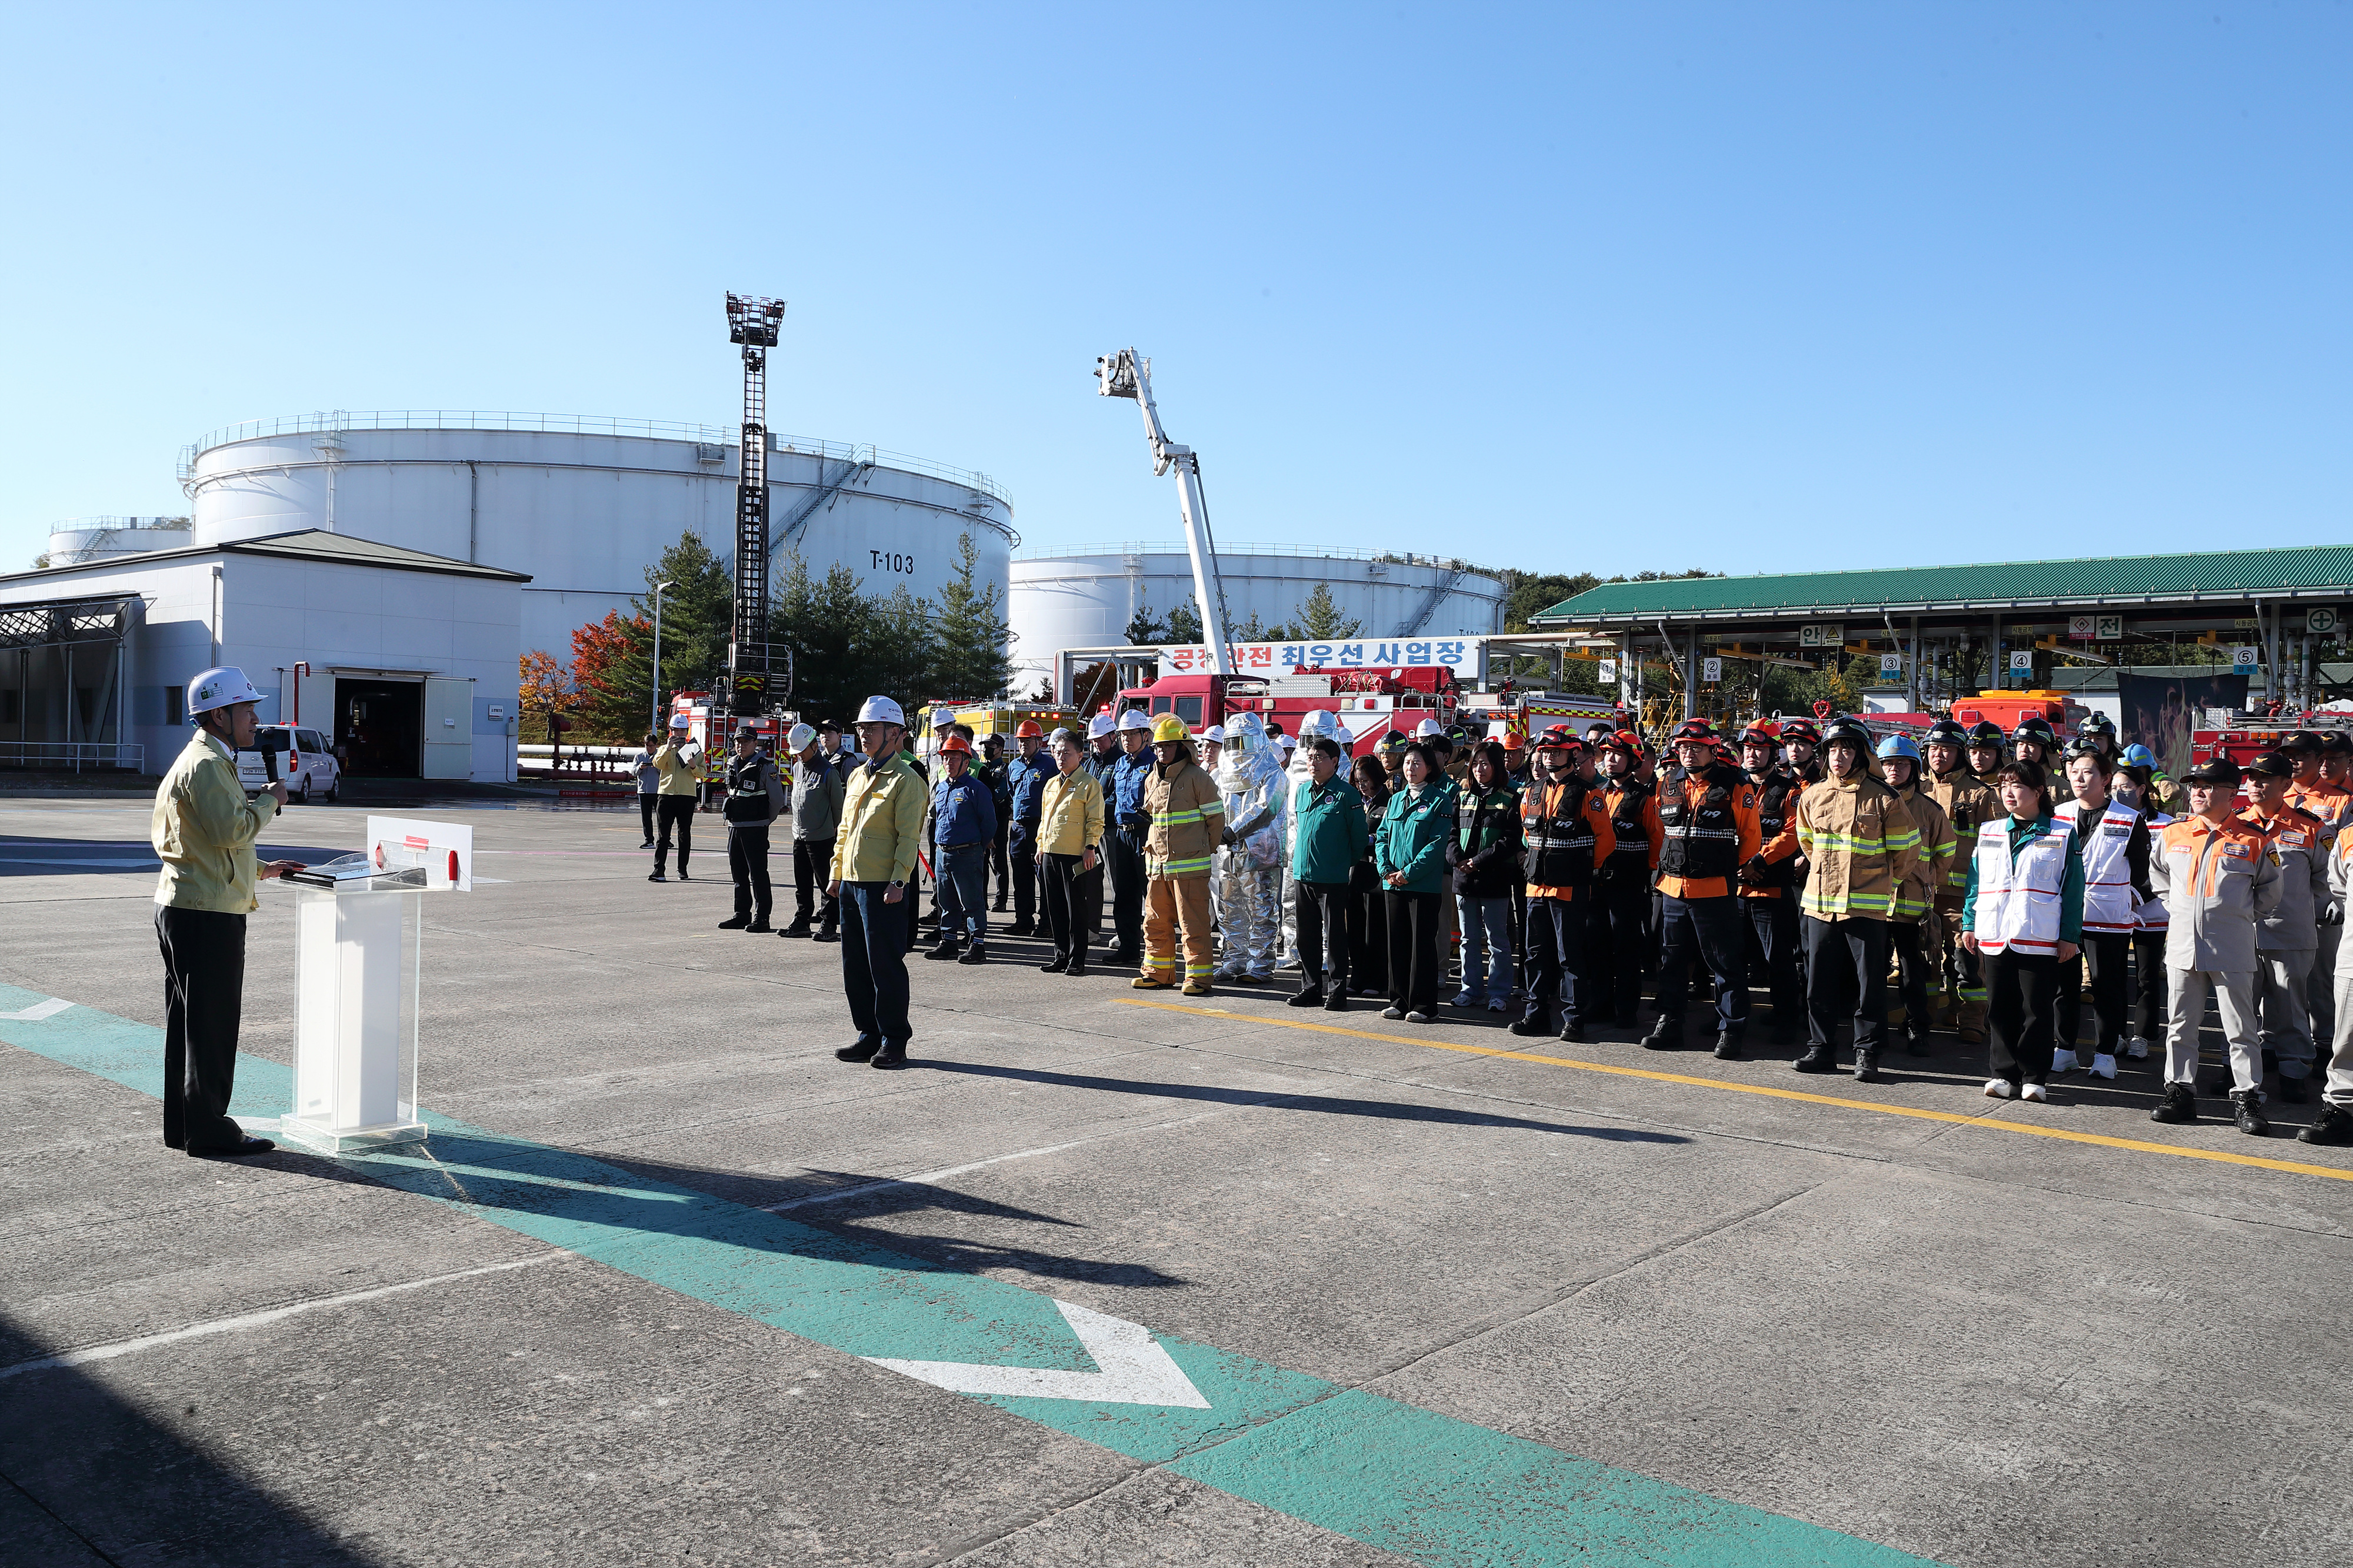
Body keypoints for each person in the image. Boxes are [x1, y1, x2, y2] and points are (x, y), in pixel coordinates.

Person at [151, 666, 304, 1158]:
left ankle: (186, 1125)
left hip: (188, 904)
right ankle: (211, 1130)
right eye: (247, 709)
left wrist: (262, 870)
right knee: (213, 1026)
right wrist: (271, 800)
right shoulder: (210, 764)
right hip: (207, 914)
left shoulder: (205, 758)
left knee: (190, 1024)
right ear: (220, 714)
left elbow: (207, 844)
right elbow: (230, 831)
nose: (255, 718)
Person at [2147, 756, 2281, 1133]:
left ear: (2229, 793)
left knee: (2241, 1027)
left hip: (2232, 945)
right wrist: (2176, 907)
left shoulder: (2254, 839)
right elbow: (2157, 873)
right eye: (2194, 786)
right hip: (2183, 946)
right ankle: (2180, 1092)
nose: (2197, 793)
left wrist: (2236, 916)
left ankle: (2247, 1097)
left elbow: (2270, 891)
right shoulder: (2174, 833)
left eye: (2206, 786)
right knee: (2181, 1023)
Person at [1792, 719, 1921, 1080]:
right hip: (1819, 904)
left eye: (1847, 749)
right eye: (1833, 749)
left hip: (1866, 906)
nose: (1839, 756)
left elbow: (1908, 850)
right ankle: (1821, 1049)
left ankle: (1868, 1052)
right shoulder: (1813, 795)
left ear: (1862, 755)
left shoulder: (1884, 797)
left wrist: (1885, 883)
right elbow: (1808, 842)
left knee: (1870, 984)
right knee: (1819, 982)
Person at [1962, 759, 2085, 1102]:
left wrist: (2069, 936)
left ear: (2038, 792)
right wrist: (1969, 923)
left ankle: (2034, 1077)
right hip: (1995, 932)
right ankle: (2003, 1073)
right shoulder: (1990, 831)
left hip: (2040, 934)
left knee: (2037, 1008)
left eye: (2017, 786)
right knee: (1999, 1007)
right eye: (2004, 786)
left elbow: (2074, 889)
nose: (2008, 793)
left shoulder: (2061, 833)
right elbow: (1977, 882)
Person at [1645, 720, 1764, 1057]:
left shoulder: (1735, 785)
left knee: (1725, 962)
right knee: (1671, 960)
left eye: (1696, 748)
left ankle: (1732, 1028)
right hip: (1672, 889)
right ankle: (1670, 1022)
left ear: (1713, 749)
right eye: (1683, 748)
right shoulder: (1668, 782)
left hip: (1714, 889)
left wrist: (1723, 867)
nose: (1688, 754)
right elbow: (1661, 831)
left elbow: (1751, 837)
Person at [829, 697, 926, 1069]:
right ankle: (867, 1034)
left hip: (884, 885)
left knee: (885, 964)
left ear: (895, 733)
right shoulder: (857, 775)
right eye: (861, 729)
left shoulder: (907, 780)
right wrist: (837, 872)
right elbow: (845, 829)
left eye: (872, 729)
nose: (864, 735)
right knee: (854, 964)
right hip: (852, 883)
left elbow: (908, 837)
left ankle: (894, 1039)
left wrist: (899, 880)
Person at [2047, 740, 2150, 1079]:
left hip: (2108, 917)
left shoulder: (2129, 818)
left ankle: (2105, 1053)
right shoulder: (2057, 815)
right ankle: (2064, 1049)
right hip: (2064, 916)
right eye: (2073, 772)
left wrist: (2131, 898)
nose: (2079, 778)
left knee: (2107, 987)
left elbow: (2143, 870)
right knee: (2065, 986)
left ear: (2106, 778)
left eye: (2088, 772)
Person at [2239, 751, 2331, 1104]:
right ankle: (2241, 1074)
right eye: (2251, 778)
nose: (2256, 785)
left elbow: (2327, 881)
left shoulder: (2310, 828)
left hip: (2290, 932)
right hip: (2243, 933)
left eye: (2264, 779)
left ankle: (2294, 1071)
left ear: (2284, 785)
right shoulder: (2234, 823)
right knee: (2242, 1007)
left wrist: (2315, 912)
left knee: (2292, 1007)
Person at [1514, 730, 1615, 1040]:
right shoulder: (1531, 792)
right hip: (1536, 888)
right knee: (1534, 954)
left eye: (1556, 752)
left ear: (1572, 756)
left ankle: (1574, 1019)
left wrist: (1583, 868)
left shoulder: (1588, 794)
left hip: (1569, 888)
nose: (1549, 757)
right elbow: (1527, 836)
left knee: (1569, 955)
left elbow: (1606, 841)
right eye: (1545, 752)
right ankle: (1536, 1015)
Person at [1877, 735, 1955, 1055]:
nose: (1894, 769)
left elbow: (1946, 851)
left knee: (1913, 972)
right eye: (1888, 764)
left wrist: (1927, 881)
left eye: (1902, 763)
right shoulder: (1870, 801)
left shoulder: (1929, 810)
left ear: (1914, 768)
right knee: (1872, 970)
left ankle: (1916, 1027)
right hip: (1873, 904)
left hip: (1911, 907)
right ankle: (1873, 1028)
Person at [1136, 715, 1224, 995]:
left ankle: (1198, 978)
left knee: (1193, 924)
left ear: (1183, 747)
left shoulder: (1198, 778)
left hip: (1189, 867)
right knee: (1154, 922)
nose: (1162, 752)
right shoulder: (1152, 779)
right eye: (1159, 747)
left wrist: (1202, 849)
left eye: (1169, 746)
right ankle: (1157, 972)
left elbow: (1216, 821)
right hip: (1158, 866)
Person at [1925, 718, 1997, 1044]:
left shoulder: (1981, 794)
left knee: (1967, 959)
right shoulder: (1917, 789)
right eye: (1935, 748)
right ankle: (1922, 1015)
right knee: (1924, 958)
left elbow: (1993, 846)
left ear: (1960, 754)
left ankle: (1971, 1018)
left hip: (1963, 893)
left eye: (1948, 749)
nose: (1939, 755)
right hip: (1922, 890)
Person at [1377, 741, 1458, 1023]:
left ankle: (1425, 1005)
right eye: (1408, 762)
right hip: (1393, 883)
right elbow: (1383, 836)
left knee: (1422, 946)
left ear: (1430, 768)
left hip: (1422, 885)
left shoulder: (1439, 801)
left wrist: (1408, 873)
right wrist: (1386, 869)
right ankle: (1398, 1000)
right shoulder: (1396, 799)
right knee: (1397, 943)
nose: (1411, 768)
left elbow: (1436, 846)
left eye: (1418, 763)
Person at [1734, 720, 1806, 1043]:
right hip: (1734, 887)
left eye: (1759, 749)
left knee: (1779, 959)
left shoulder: (1790, 792)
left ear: (1772, 753)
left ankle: (1787, 1019)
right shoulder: (1732, 787)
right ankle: (1733, 1017)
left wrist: (1757, 861)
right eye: (1748, 749)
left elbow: (1791, 836)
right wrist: (1738, 865)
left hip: (1771, 887)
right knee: (1732, 958)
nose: (1752, 754)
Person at [1288, 735, 1368, 1011]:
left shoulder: (1347, 794)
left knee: (1334, 939)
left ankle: (1337, 991)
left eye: (1320, 757)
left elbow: (1359, 837)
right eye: (1310, 757)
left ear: (1335, 762)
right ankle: (1310, 988)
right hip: (1303, 874)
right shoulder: (1302, 792)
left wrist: (1342, 862)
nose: (1313, 763)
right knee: (1306, 936)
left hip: (1332, 877)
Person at [1591, 731, 1662, 1029]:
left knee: (1627, 949)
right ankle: (1600, 1003)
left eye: (1618, 755)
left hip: (1629, 885)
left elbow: (1656, 841)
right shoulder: (1597, 794)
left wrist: (1646, 879)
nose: (1610, 759)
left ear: (1634, 761)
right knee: (1597, 947)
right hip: (1597, 884)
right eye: (1607, 754)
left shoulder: (1645, 798)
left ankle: (1627, 1009)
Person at [1212, 712, 1287, 984]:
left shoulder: (1272, 770)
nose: (1238, 748)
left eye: (1243, 741)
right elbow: (1215, 804)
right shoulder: (1223, 773)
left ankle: (1261, 965)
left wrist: (1231, 831)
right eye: (1233, 742)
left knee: (1261, 910)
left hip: (1260, 853)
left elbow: (1267, 807)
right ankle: (1234, 961)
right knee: (1229, 909)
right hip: (1227, 852)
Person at [1449, 740, 1524, 1014]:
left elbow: (1510, 839)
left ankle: (1499, 993)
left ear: (1496, 766)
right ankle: (1470, 990)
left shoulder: (1509, 798)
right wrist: (1457, 859)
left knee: (1497, 939)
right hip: (1464, 879)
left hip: (1495, 878)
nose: (1479, 769)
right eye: (1476, 763)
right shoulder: (1463, 795)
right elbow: (1452, 833)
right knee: (1468, 939)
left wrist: (1478, 862)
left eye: (1486, 763)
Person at [2109, 760, 2169, 1060]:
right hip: (2114, 912)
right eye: (2114, 789)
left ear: (2142, 790)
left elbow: (2164, 871)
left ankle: (2143, 1036)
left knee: (2147, 977)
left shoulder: (2166, 824)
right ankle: (2117, 1033)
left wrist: (2139, 895)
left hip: (2152, 912)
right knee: (2116, 976)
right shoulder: (2108, 821)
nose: (2119, 794)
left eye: (2126, 789)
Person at [1036, 727, 1106, 975]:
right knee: (1055, 908)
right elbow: (1045, 818)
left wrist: (1090, 847)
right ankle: (1060, 955)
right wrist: (1040, 845)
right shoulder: (1051, 784)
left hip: (1075, 855)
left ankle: (1077, 959)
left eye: (1067, 753)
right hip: (1051, 853)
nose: (1061, 757)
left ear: (1081, 755)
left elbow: (1095, 820)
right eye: (1057, 752)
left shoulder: (1089, 785)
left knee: (1076, 908)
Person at [922, 733, 998, 965]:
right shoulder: (943, 788)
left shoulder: (976, 789)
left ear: (967, 761)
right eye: (946, 759)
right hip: (942, 853)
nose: (949, 763)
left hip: (967, 853)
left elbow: (990, 824)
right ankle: (948, 941)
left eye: (954, 759)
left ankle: (977, 944)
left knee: (972, 901)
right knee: (946, 900)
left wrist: (977, 847)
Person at [1278, 709, 1341, 969]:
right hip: (1295, 849)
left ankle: (1327, 954)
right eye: (1308, 740)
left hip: (1326, 853)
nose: (1312, 748)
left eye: (1320, 738)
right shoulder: (1294, 772)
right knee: (1290, 901)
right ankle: (1293, 950)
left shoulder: (1342, 769)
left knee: (1326, 911)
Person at [717, 723, 785, 932]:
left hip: (755, 827)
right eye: (738, 741)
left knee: (758, 874)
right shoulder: (731, 764)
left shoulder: (766, 768)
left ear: (756, 744)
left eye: (746, 742)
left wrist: (764, 821)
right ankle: (741, 914)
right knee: (738, 874)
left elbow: (777, 800)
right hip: (735, 827)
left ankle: (762, 917)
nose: (741, 745)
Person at [2309, 825, 2353, 1144]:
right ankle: (2341, 1108)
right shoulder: (2348, 836)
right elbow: (2338, 887)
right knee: (2346, 1040)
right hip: (2352, 959)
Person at [783, 722, 845, 942]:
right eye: (796, 752)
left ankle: (829, 923)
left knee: (825, 883)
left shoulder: (829, 772)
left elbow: (838, 807)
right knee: (802, 883)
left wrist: (837, 832)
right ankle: (802, 920)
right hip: (799, 836)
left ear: (813, 746)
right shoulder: (798, 767)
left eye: (802, 750)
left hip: (822, 837)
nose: (799, 755)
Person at [1104, 709, 1154, 968]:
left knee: (1151, 894)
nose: (1127, 739)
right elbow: (1114, 797)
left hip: (1145, 834)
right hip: (1122, 835)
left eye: (1133, 734)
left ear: (1145, 735)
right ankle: (1128, 947)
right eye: (1123, 734)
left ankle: (1156, 950)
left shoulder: (1154, 763)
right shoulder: (1121, 763)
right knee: (1124, 894)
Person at [1349, 752, 1394, 997]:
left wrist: (1369, 839)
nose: (1362, 785)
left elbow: (1390, 835)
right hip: (1356, 872)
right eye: (1358, 781)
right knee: (1355, 929)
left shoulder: (1389, 802)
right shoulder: (1356, 801)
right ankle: (1357, 976)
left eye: (1365, 780)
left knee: (1375, 930)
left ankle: (1376, 979)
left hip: (1376, 872)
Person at [1004, 719, 1052, 937]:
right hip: (1018, 828)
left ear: (1039, 742)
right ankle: (1023, 920)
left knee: (1044, 877)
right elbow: (1012, 794)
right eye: (1021, 740)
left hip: (1039, 827)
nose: (1024, 744)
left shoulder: (1050, 765)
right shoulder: (1013, 766)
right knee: (1021, 878)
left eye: (1028, 740)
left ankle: (1046, 923)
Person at [1080, 713, 1122, 949]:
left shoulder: (1121, 761)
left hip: (1112, 830)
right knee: (1091, 880)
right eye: (1093, 739)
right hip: (1092, 831)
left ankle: (1123, 929)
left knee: (1118, 883)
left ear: (1112, 736)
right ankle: (1092, 928)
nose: (1096, 743)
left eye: (1100, 738)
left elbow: (1118, 796)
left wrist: (1096, 808)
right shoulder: (1090, 763)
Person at [649, 714, 703, 882]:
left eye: (682, 730)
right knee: (663, 836)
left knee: (684, 834)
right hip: (666, 795)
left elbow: (702, 772)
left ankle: (683, 869)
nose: (679, 733)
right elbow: (657, 764)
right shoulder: (665, 749)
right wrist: (667, 748)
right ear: (670, 731)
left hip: (687, 796)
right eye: (676, 730)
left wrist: (693, 765)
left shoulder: (694, 748)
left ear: (687, 731)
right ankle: (659, 870)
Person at [977, 733, 1014, 912]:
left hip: (999, 819)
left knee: (998, 861)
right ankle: (982, 899)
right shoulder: (983, 768)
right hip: (982, 820)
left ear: (1000, 749)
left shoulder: (1005, 770)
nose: (986, 750)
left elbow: (1000, 794)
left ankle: (1001, 900)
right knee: (981, 861)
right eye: (985, 747)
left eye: (990, 747)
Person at [631, 730, 661, 846]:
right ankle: (649, 840)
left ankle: (665, 840)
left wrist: (656, 766)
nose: (649, 748)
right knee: (646, 818)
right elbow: (634, 772)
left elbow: (665, 772)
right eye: (647, 746)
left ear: (656, 746)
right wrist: (641, 767)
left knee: (661, 818)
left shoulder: (660, 756)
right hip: (643, 791)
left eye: (652, 746)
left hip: (658, 791)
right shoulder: (639, 757)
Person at [1965, 721, 2007, 785]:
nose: (1978, 758)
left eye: (1985, 753)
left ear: (1999, 755)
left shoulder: (2009, 787)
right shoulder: (1959, 785)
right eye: (1973, 752)